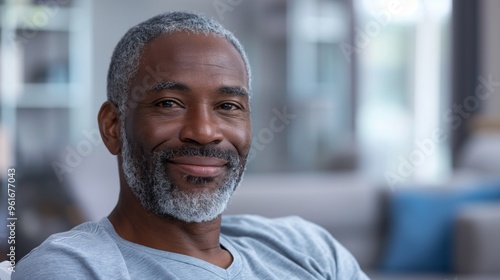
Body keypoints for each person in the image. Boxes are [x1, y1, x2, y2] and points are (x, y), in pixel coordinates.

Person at [13, 11, 369, 279]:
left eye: (228, 106)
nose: (204, 131)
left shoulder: (308, 248)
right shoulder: (73, 270)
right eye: (169, 103)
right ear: (112, 126)